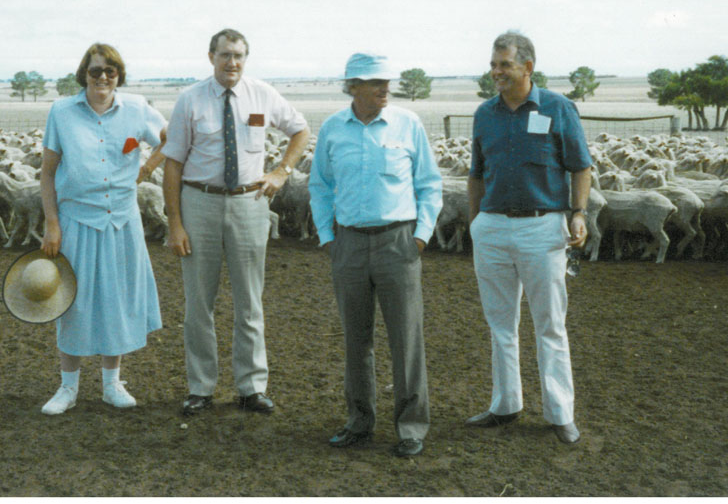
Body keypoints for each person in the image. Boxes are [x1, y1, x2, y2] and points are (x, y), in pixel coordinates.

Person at [162, 28, 310, 416]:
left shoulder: (262, 95)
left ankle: (251, 387)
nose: (233, 63)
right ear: (211, 56)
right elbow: (173, 162)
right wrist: (175, 223)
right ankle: (200, 388)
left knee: (250, 301)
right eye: (226, 55)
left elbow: (300, 130)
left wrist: (281, 171)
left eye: (240, 56)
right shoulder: (190, 100)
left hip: (249, 203)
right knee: (199, 302)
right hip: (200, 204)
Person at [309, 52, 443, 458]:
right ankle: (359, 421)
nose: (385, 88)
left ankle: (410, 426)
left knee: (406, 338)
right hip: (348, 244)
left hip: (397, 243)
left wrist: (419, 236)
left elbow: (430, 184)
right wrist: (327, 236)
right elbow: (320, 185)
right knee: (356, 338)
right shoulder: (333, 128)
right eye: (374, 82)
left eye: (386, 81)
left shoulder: (408, 124)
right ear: (352, 87)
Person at [466, 30, 592, 444]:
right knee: (500, 323)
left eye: (504, 64)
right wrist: (475, 224)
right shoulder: (485, 113)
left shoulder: (557, 107)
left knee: (550, 324)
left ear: (527, 67)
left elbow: (579, 166)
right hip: (493, 227)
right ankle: (505, 405)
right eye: (493, 64)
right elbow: (476, 174)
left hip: (543, 227)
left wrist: (578, 213)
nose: (496, 72)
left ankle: (560, 414)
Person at [39, 42, 167, 415]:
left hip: (121, 221)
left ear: (118, 76)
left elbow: (171, 137)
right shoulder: (62, 112)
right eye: (95, 71)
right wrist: (52, 225)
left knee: (117, 300)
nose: (103, 78)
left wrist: (149, 167)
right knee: (72, 303)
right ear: (84, 75)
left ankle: (112, 384)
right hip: (77, 220)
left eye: (110, 72)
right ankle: (68, 388)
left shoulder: (138, 108)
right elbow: (47, 173)